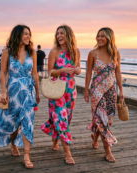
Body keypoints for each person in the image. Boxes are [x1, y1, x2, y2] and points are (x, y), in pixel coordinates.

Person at [0, 25, 40, 169]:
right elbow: (3, 73)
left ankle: (27, 155)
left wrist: (38, 92)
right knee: (12, 123)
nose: (28, 37)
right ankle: (13, 144)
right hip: (12, 93)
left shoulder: (32, 52)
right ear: (18, 35)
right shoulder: (7, 51)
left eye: (29, 34)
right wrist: (4, 92)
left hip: (28, 93)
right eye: (25, 34)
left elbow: (35, 73)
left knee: (27, 124)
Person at [40, 25, 81, 165]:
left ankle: (55, 139)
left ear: (68, 35)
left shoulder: (76, 51)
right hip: (56, 89)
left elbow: (78, 68)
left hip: (70, 89)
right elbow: (49, 72)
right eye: (57, 33)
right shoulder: (54, 52)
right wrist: (62, 69)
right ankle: (67, 153)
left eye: (62, 33)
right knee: (61, 118)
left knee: (66, 119)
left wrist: (77, 70)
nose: (59, 36)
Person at [84, 27, 124, 163]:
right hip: (97, 91)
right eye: (98, 36)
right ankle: (108, 151)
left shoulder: (116, 54)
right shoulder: (92, 53)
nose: (99, 38)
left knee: (108, 120)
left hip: (111, 91)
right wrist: (86, 90)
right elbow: (89, 72)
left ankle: (95, 137)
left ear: (109, 38)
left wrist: (121, 92)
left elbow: (118, 73)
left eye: (102, 36)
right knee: (102, 119)